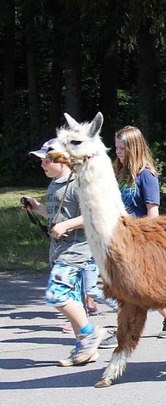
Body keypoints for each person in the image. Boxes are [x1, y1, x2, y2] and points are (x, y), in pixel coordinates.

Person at [22, 138, 106, 366]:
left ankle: (90, 333)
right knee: (73, 299)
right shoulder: (55, 184)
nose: (42, 164)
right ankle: (84, 349)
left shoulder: (77, 182)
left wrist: (66, 226)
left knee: (57, 295)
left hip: (76, 251)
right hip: (59, 250)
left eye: (47, 160)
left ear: (63, 160)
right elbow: (56, 216)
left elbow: (94, 214)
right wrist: (36, 207)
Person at [100, 125, 166, 346]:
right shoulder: (121, 173)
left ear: (134, 147)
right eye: (116, 147)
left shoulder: (147, 176)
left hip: (138, 239)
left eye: (122, 148)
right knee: (131, 289)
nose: (118, 152)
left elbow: (153, 214)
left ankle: (127, 330)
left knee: (134, 288)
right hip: (118, 238)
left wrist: (147, 242)